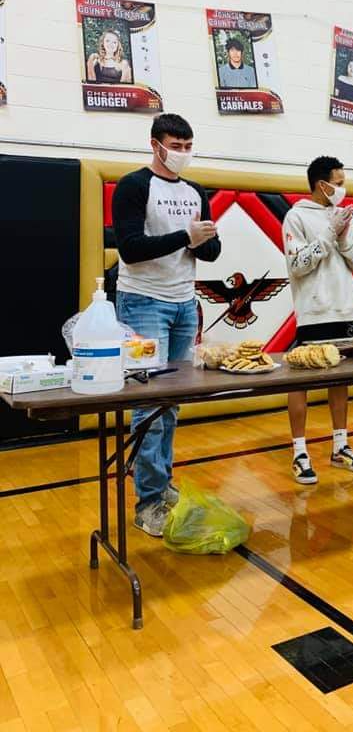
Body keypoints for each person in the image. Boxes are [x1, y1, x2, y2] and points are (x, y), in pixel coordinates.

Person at [112, 113, 221, 535]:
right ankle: (149, 502)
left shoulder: (195, 191)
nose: (183, 153)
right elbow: (131, 248)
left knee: (171, 401)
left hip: (182, 302)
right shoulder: (134, 186)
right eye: (176, 146)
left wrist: (205, 241)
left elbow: (209, 250)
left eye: (188, 145)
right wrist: (185, 238)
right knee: (148, 403)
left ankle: (161, 480)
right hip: (142, 302)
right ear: (156, 145)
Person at [283, 156, 353, 485]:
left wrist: (344, 235)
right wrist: (329, 235)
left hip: (345, 309)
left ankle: (340, 445)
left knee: (340, 381)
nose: (342, 187)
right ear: (322, 184)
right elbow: (299, 264)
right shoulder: (296, 216)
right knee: (300, 382)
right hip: (314, 312)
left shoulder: (344, 215)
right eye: (339, 181)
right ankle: (300, 452)